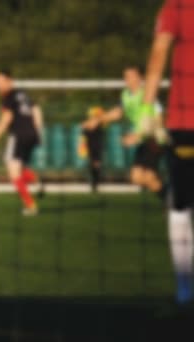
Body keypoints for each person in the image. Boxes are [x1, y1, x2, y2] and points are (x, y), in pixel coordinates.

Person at [141, 0, 194, 304]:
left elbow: (159, 52)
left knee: (181, 207)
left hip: (186, 124)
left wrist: (148, 107)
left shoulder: (177, 5)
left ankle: (185, 288)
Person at [95, 66, 167, 199]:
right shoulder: (125, 95)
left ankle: (173, 204)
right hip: (142, 139)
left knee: (147, 176)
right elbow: (117, 113)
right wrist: (97, 119)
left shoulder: (148, 94)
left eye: (131, 76)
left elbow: (159, 117)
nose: (127, 79)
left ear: (140, 78)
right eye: (125, 76)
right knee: (137, 177)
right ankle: (172, 199)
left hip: (155, 139)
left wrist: (138, 136)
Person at [0, 70, 44, 216]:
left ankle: (31, 206)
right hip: (31, 134)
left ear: (10, 81)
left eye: (0, 81)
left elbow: (6, 119)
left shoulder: (8, 97)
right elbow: (36, 109)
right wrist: (38, 132)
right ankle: (35, 179)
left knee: (13, 173)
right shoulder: (22, 94)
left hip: (18, 135)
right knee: (19, 168)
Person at [80, 106, 106, 193]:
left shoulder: (100, 123)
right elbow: (83, 127)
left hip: (97, 145)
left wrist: (89, 124)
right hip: (90, 145)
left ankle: (96, 183)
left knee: (97, 164)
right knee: (92, 164)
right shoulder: (88, 123)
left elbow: (92, 126)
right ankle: (93, 183)